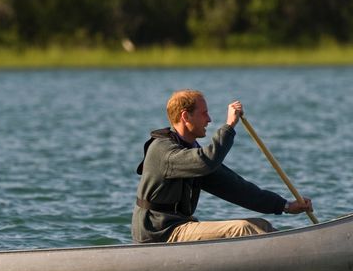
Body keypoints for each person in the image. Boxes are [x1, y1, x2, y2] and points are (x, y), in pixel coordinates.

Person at [132, 89, 313, 243]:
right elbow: (206, 161)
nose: (209, 119)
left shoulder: (190, 153)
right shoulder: (165, 151)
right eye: (204, 113)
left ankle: (298, 255)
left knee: (260, 226)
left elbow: (237, 189)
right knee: (245, 229)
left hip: (178, 226)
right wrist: (229, 126)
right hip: (158, 233)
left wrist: (286, 206)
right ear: (185, 116)